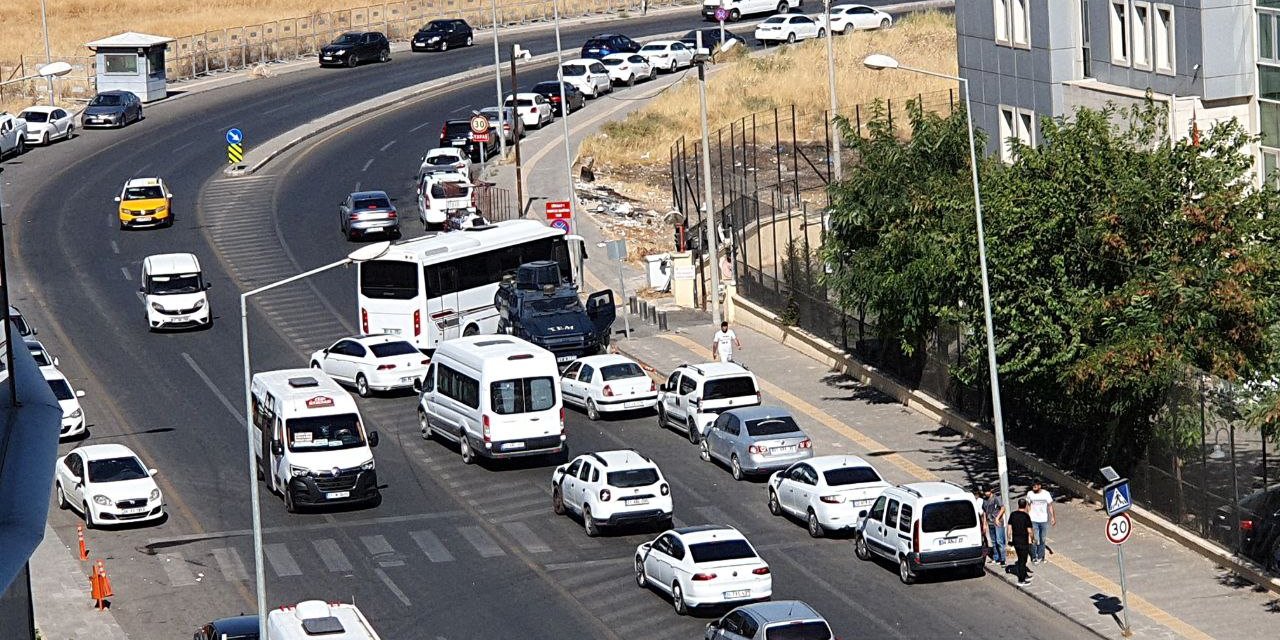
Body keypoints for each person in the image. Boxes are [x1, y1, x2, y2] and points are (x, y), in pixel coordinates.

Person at [1027, 482, 1056, 563]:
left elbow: (1050, 506)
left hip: (1043, 519)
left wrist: (1053, 517)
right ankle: (1034, 556)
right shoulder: (1030, 494)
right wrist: (1028, 516)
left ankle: (1041, 556)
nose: (1034, 487)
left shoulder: (1046, 494)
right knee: (1035, 539)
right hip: (1033, 519)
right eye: (1033, 485)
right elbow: (1028, 505)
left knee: (1042, 539)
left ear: (1039, 486)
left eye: (1035, 485)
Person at [1007, 498, 1034, 586]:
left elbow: (1009, 527)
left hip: (1015, 541)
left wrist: (1009, 537)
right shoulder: (1026, 516)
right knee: (1023, 561)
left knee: (1021, 558)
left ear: (1018, 505)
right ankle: (1021, 580)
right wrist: (1032, 538)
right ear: (1025, 505)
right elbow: (1029, 530)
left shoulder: (1013, 514)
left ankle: (1025, 575)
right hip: (1023, 541)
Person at [982, 487, 1007, 565]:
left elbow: (1003, 508)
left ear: (990, 490)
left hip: (998, 522)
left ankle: (1003, 559)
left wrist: (997, 518)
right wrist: (984, 523)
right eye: (985, 491)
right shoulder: (985, 500)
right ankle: (996, 558)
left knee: (999, 541)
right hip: (990, 522)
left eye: (987, 491)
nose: (986, 493)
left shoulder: (996, 498)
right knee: (994, 541)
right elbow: (985, 512)